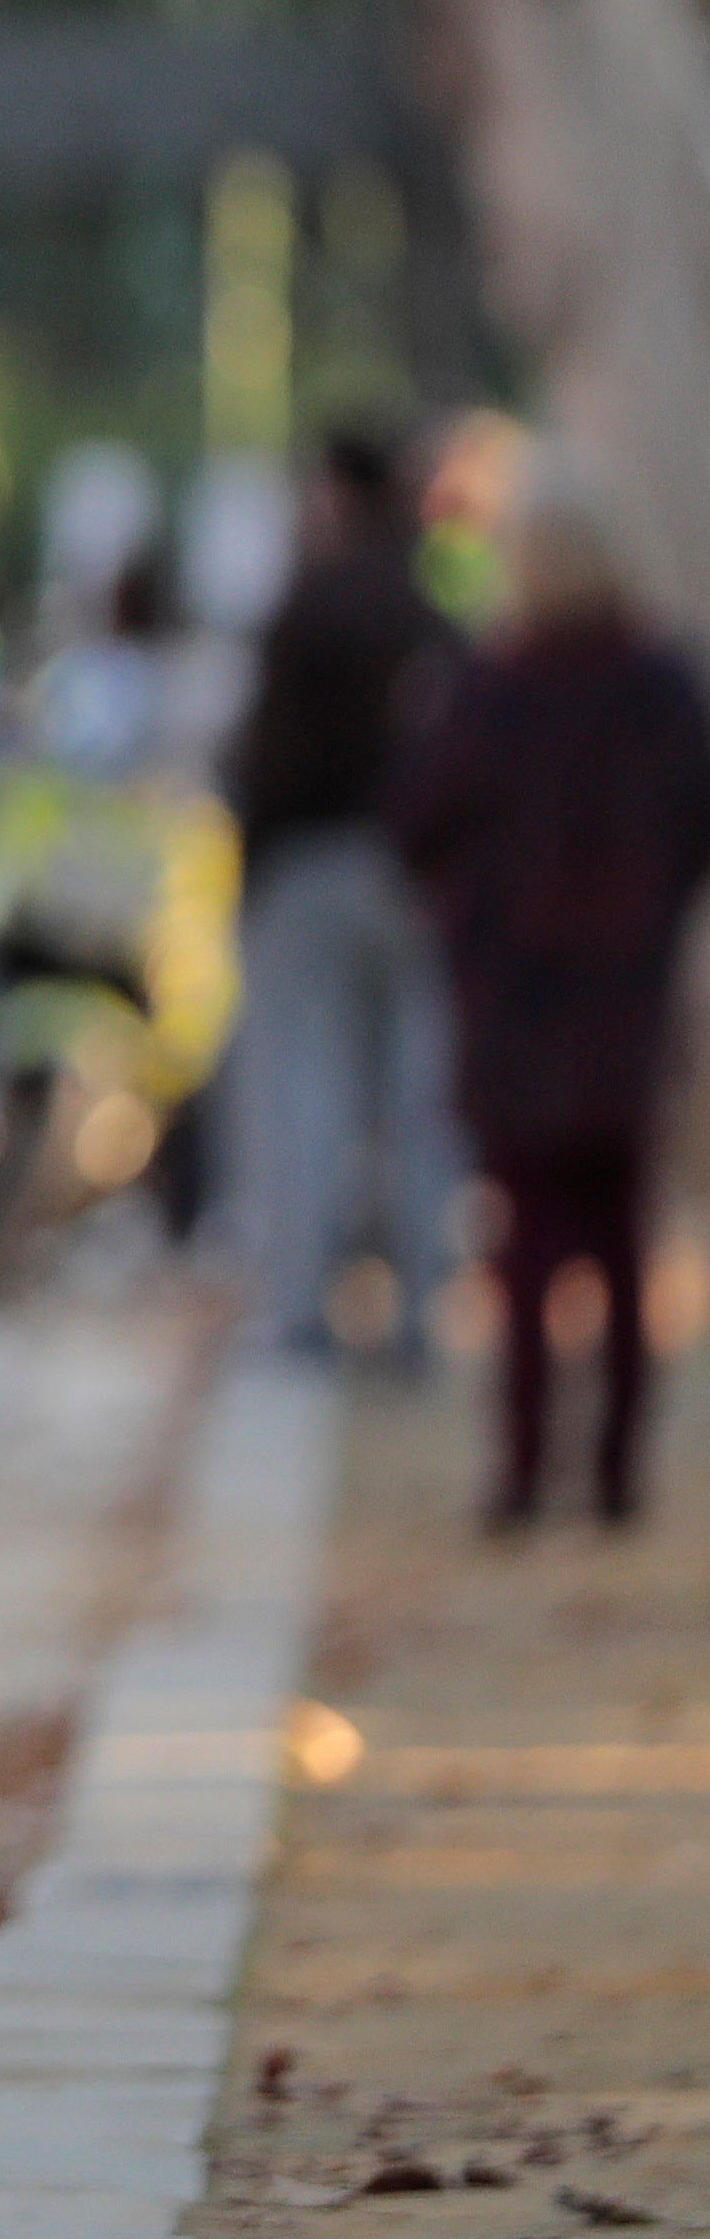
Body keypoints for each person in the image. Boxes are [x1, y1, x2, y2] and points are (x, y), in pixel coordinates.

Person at [388, 461, 710, 1532]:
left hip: (515, 1000)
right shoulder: (660, 686)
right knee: (621, 1236)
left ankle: (523, 1468)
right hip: (622, 998)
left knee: (524, 1244)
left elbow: (416, 823)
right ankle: (616, 1468)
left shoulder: (489, 689)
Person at [223, 423, 459, 1363]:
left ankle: (298, 1304)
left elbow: (266, 756)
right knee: (415, 1093)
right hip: (405, 874)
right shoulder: (422, 604)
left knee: (299, 1089)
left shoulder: (314, 601)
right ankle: (414, 1308)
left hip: (312, 864)